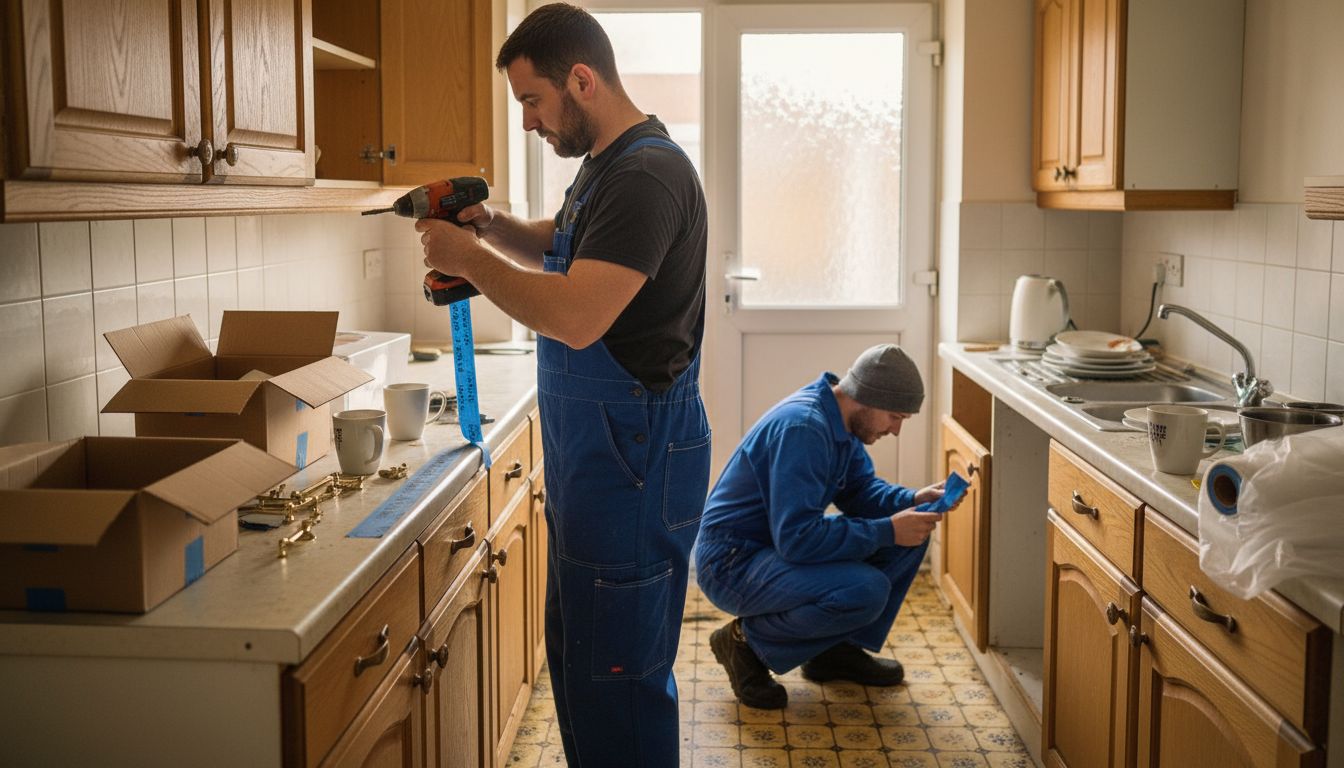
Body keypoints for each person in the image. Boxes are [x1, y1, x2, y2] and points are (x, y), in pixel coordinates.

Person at [415, 4, 709, 766]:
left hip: (634, 464)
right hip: (603, 462)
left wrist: (470, 262)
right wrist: (490, 228)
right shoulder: (612, 164)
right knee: (584, 665)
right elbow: (565, 241)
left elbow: (578, 317)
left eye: (532, 101)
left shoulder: (648, 173)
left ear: (582, 80)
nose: (527, 123)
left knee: (619, 684)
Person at [694, 344, 955, 710]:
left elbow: (861, 491)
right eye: (895, 417)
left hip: (770, 547)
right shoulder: (804, 429)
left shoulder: (841, 422)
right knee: (866, 588)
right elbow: (797, 540)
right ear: (869, 398)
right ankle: (743, 644)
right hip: (731, 562)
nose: (895, 430)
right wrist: (887, 530)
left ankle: (832, 651)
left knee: (909, 540)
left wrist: (912, 500)